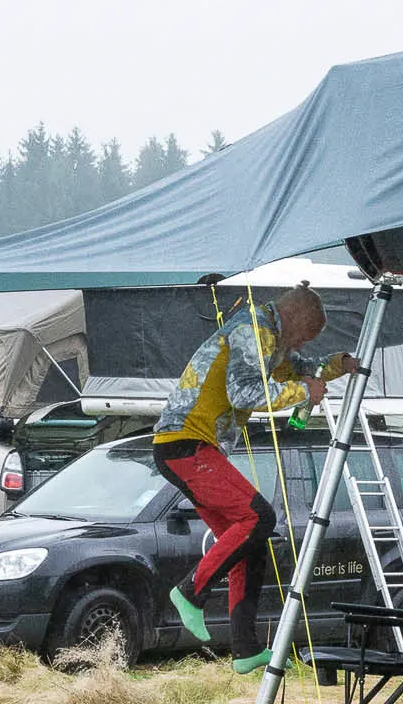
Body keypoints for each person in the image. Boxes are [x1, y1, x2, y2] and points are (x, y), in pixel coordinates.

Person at [153, 283, 359, 673]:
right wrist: (302, 390)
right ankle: (189, 592)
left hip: (196, 448)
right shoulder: (253, 330)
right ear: (294, 316)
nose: (302, 343)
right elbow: (243, 393)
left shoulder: (274, 341)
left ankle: (245, 650)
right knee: (259, 517)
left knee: (252, 543)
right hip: (184, 443)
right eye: (305, 334)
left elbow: (301, 367)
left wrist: (338, 363)